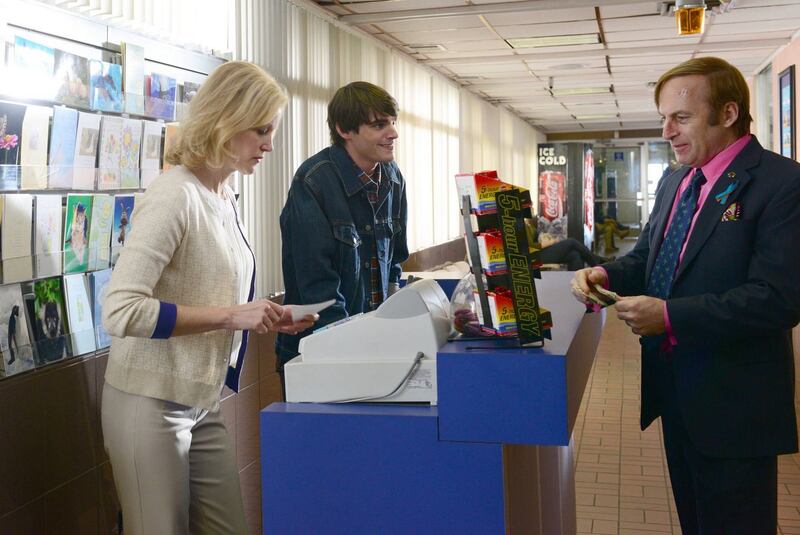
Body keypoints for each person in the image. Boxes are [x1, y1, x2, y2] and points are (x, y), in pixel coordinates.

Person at [571, 56, 800, 534]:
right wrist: (603, 274)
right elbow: (649, 258)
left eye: (681, 117)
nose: (667, 131)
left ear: (729, 113)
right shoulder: (676, 179)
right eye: (662, 119)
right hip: (675, 390)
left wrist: (671, 317)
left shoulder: (783, 184)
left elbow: (779, 298)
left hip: (735, 402)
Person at [101, 61, 316, 535]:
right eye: (261, 130)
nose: (269, 145)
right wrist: (229, 317)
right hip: (149, 401)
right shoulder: (175, 195)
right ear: (226, 119)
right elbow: (120, 310)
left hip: (201, 399)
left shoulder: (224, 195)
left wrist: (264, 317)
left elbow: (213, 287)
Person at [276, 81, 408, 392]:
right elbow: (317, 286)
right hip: (320, 354)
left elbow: (395, 262)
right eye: (379, 125)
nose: (393, 133)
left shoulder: (392, 177)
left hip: (374, 350)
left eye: (392, 122)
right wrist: (354, 347)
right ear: (344, 130)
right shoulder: (313, 182)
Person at [524, 217, 610, 270]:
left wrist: (543, 236)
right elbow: (528, 247)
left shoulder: (528, 224)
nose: (532, 208)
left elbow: (535, 237)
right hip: (534, 258)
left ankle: (577, 284)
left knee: (574, 255)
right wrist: (550, 242)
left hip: (540, 253)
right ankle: (598, 263)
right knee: (571, 242)